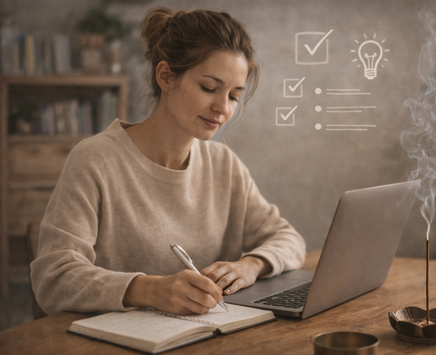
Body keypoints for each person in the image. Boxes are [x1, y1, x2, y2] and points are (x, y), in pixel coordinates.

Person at [31, 8, 306, 316]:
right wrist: (150, 290)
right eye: (209, 88)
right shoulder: (95, 160)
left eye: (233, 96)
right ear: (165, 76)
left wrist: (251, 265)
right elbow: (53, 279)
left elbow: (288, 239)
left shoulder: (223, 164)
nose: (222, 108)